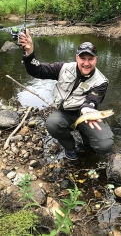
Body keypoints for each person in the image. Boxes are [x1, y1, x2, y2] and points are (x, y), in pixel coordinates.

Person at [19, 30, 114, 160]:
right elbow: (37, 70)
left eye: (90, 59)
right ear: (77, 58)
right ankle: (70, 147)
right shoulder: (63, 68)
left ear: (96, 59)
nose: (86, 63)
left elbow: (93, 100)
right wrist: (29, 52)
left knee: (105, 145)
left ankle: (86, 139)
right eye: (83, 58)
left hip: (86, 114)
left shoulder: (101, 81)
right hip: (64, 113)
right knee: (52, 124)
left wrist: (87, 109)